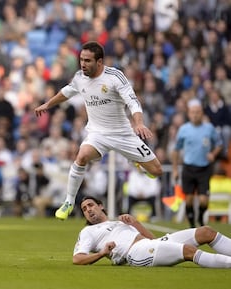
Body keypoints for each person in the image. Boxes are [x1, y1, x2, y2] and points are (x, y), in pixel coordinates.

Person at [34, 41, 162, 220]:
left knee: (157, 171)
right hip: (97, 134)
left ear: (99, 62)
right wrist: (48, 104)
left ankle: (138, 162)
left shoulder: (115, 76)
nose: (83, 64)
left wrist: (139, 123)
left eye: (87, 61)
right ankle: (69, 201)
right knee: (82, 156)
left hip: (122, 134)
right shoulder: (80, 77)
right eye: (81, 60)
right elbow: (67, 92)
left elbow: (133, 101)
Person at [73, 196, 231, 268]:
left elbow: (152, 239)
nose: (88, 210)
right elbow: (77, 259)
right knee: (188, 251)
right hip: (135, 254)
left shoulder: (117, 221)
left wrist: (135, 223)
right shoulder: (88, 231)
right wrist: (101, 253)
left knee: (206, 231)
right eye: (84, 209)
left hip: (149, 244)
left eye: (90, 205)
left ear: (100, 206)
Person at [172, 99, 223, 228]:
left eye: (198, 112)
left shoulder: (209, 128)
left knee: (203, 200)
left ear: (202, 113)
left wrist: (213, 154)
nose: (195, 115)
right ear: (189, 114)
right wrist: (175, 169)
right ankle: (191, 225)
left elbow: (219, 144)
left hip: (204, 168)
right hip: (188, 167)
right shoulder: (184, 129)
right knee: (188, 199)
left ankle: (200, 217)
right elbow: (176, 150)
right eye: (193, 112)